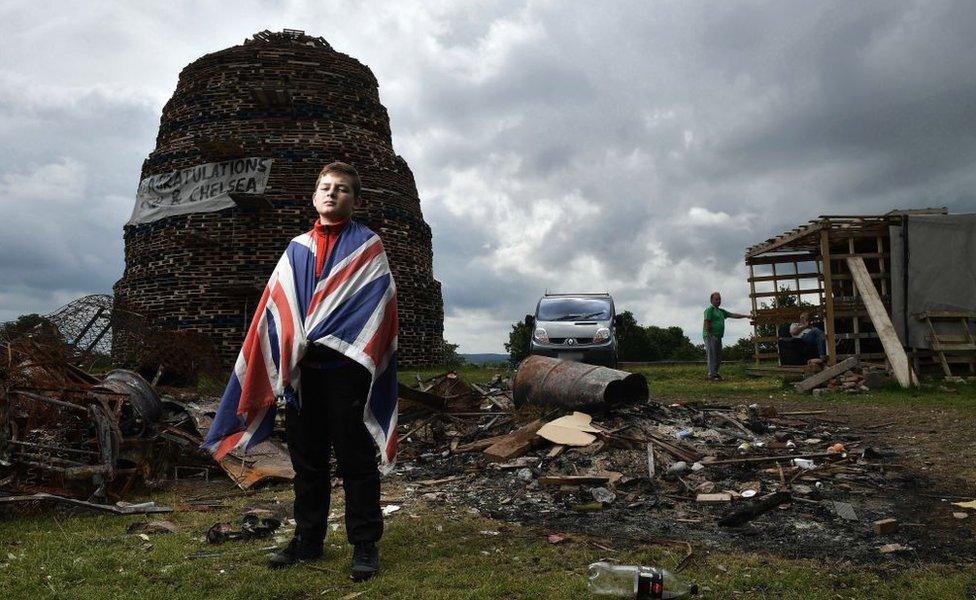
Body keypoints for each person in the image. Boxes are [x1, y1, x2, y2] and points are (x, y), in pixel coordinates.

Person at [203, 162, 398, 581]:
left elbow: (375, 307)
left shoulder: (368, 246)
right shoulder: (297, 248)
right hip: (302, 372)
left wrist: (324, 330)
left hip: (347, 369)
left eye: (342, 189)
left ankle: (364, 544)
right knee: (307, 461)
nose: (332, 194)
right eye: (326, 188)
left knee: (355, 460)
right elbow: (277, 307)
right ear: (314, 197)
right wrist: (291, 344)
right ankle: (307, 541)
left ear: (354, 200)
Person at [702, 291, 750, 380]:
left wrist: (746, 316)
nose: (718, 301)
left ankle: (715, 373)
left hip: (718, 336)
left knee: (718, 356)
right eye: (716, 299)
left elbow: (733, 315)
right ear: (711, 300)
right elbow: (706, 323)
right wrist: (710, 335)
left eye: (719, 299)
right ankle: (712, 375)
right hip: (710, 336)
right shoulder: (709, 310)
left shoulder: (721, 311)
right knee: (712, 355)